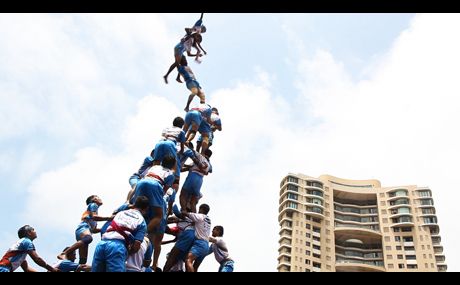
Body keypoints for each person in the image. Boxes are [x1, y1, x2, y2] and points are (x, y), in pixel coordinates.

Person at [130, 155, 176, 271]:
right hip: (155, 190)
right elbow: (163, 192)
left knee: (138, 209)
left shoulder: (154, 167)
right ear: (172, 165)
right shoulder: (170, 175)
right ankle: (142, 234)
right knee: (158, 220)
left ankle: (132, 229)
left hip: (142, 183)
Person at [91, 196, 149, 272]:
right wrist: (128, 252)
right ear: (146, 209)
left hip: (101, 244)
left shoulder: (120, 213)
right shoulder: (142, 222)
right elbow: (136, 246)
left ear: (134, 204)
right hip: (117, 247)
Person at [58, 195, 113, 264]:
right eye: (98, 197)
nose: (100, 199)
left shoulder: (93, 214)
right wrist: (109, 218)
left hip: (84, 232)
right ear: (94, 199)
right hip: (83, 228)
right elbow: (94, 217)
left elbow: (93, 230)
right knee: (89, 238)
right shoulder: (93, 205)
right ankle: (64, 253)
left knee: (83, 261)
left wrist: (104, 229)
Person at [180, 149, 212, 213]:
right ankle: (194, 217)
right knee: (193, 202)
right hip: (200, 180)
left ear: (203, 152)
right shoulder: (209, 165)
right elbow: (210, 171)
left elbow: (191, 150)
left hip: (193, 176)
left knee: (183, 195)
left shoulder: (200, 156)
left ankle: (183, 211)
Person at [182, 204, 211, 272]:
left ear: (201, 209)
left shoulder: (200, 216)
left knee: (188, 260)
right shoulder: (208, 219)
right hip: (206, 245)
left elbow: (186, 214)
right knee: (195, 268)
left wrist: (183, 210)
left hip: (199, 244)